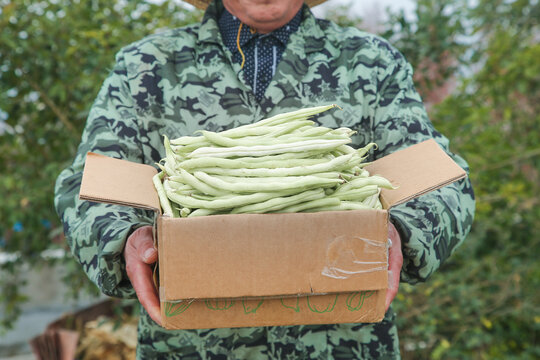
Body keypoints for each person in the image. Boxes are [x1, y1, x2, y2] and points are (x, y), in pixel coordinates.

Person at [54, 0, 475, 358]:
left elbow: (439, 181)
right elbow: (89, 183)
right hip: (189, 344)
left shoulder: (370, 61)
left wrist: (402, 231)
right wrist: (124, 238)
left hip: (347, 344)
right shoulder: (145, 67)